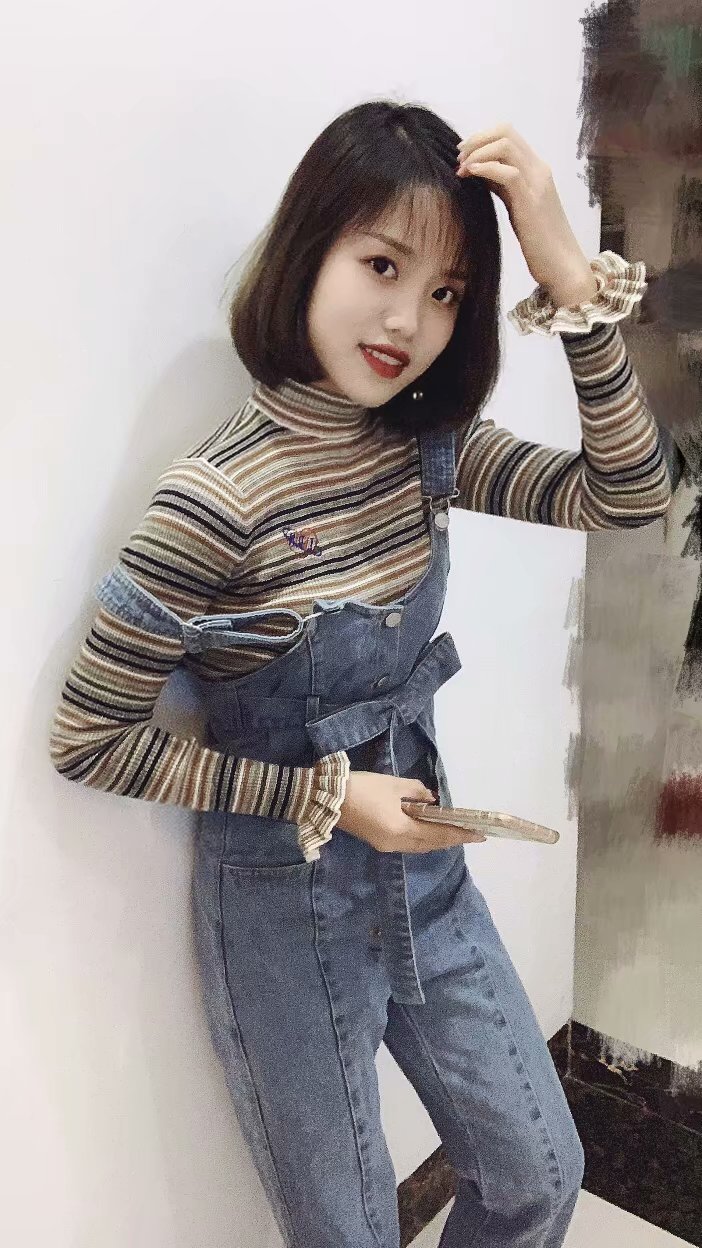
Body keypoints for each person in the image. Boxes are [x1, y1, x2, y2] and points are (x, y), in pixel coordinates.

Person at [49, 101, 671, 1247]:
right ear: (309, 250)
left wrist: (569, 278)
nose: (407, 320)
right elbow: (88, 740)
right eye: (382, 265)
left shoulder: (428, 449)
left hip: (428, 878)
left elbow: (628, 496)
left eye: (445, 292)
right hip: (283, 912)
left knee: (539, 1172)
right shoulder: (213, 501)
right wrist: (326, 797)